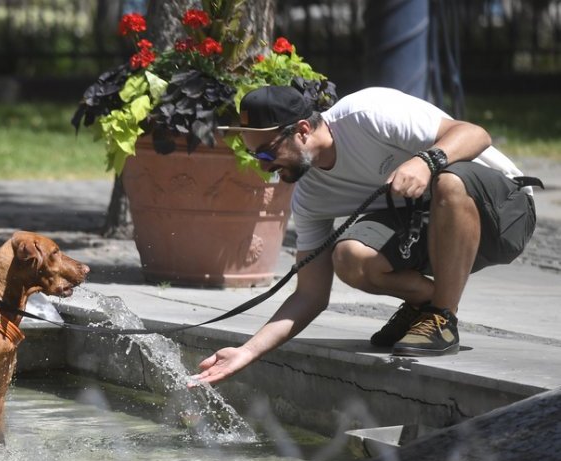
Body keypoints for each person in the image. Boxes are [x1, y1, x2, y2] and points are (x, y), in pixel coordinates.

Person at [191, 84, 538, 386]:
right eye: (254, 155)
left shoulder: (367, 113)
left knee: (449, 179)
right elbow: (310, 294)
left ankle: (442, 318)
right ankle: (427, 300)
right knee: (350, 256)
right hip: (430, 229)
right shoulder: (311, 195)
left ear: (301, 130)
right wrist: (246, 352)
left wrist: (426, 161)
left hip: (504, 214)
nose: (263, 165)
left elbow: (476, 133)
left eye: (267, 152)